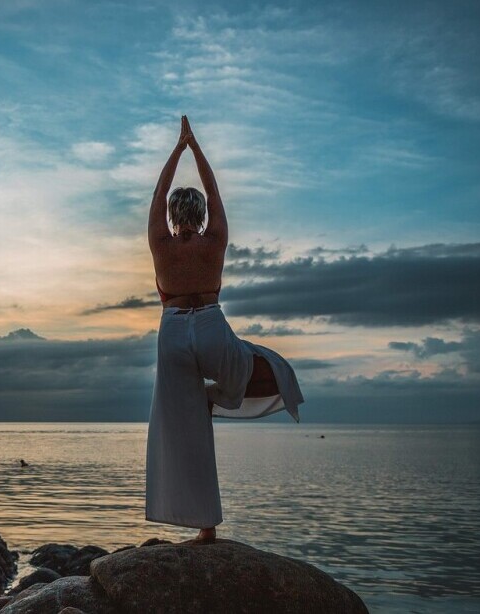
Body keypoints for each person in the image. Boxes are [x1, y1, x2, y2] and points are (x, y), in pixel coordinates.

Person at [145, 115, 305, 544]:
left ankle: (204, 524)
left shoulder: (161, 244)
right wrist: (195, 147)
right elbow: (213, 192)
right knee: (244, 371)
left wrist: (176, 149)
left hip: (174, 331)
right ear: (199, 214)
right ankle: (222, 397)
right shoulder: (213, 240)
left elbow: (158, 193)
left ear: (173, 215)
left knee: (185, 426)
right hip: (212, 326)